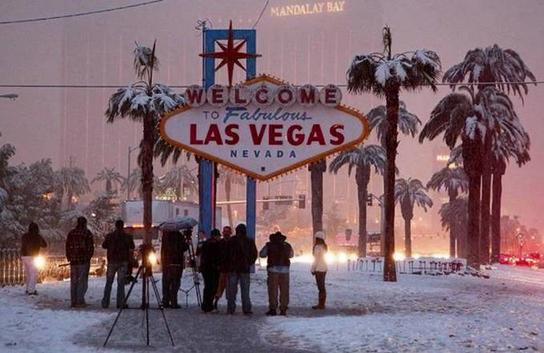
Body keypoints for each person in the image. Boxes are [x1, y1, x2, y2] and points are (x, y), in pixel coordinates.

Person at [101, 220, 135, 309]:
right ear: (122, 226)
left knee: (109, 282)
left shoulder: (110, 236)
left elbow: (104, 245)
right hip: (123, 261)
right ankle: (120, 303)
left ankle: (105, 302)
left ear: (115, 226)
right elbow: (132, 247)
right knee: (120, 283)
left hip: (112, 261)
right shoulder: (127, 237)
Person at [259, 231, 294, 316]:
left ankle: (273, 309)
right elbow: (291, 255)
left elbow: (262, 254)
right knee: (284, 290)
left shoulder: (269, 245)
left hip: (273, 270)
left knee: (273, 290)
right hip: (285, 270)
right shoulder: (287, 245)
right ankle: (283, 309)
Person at [225, 224, 258, 315]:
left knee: (231, 291)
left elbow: (226, 255)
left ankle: (230, 309)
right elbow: (254, 254)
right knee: (245, 291)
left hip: (233, 269)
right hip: (244, 268)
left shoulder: (231, 241)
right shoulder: (249, 241)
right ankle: (246, 309)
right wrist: (249, 263)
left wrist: (229, 265)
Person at [66, 216, 94, 308]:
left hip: (73, 260)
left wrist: (69, 257)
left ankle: (73, 301)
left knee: (73, 281)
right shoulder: (87, 233)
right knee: (82, 281)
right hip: (83, 260)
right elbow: (90, 247)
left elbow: (67, 246)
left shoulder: (71, 233)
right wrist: (88, 256)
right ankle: (80, 300)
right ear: (85, 224)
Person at [161, 230, 189, 308]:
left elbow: (163, 249)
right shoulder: (179, 236)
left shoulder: (165, 236)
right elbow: (184, 247)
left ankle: (165, 300)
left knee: (166, 283)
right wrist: (187, 240)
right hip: (177, 262)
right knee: (175, 283)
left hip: (167, 262)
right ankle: (173, 301)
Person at [198, 228, 221, 313]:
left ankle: (205, 305)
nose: (219, 237)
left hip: (205, 269)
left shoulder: (206, 243)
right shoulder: (215, 244)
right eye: (218, 236)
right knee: (212, 287)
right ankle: (209, 306)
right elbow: (216, 257)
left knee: (207, 287)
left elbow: (200, 254)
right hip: (213, 269)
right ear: (215, 236)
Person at [20, 222, 47, 295]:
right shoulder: (37, 236)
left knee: (28, 274)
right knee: (33, 274)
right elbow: (45, 245)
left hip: (24, 256)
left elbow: (23, 244)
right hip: (33, 256)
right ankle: (31, 290)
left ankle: (28, 289)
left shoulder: (25, 236)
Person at [214, 225, 232, 309]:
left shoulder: (220, 243)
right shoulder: (231, 242)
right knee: (221, 287)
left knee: (227, 287)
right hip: (224, 268)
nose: (226, 233)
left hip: (227, 268)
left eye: (227, 232)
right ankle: (217, 301)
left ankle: (220, 302)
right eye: (225, 232)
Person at [311, 231, 328, 310]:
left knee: (320, 287)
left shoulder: (317, 247)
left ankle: (321, 304)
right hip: (324, 268)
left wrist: (313, 269)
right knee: (322, 287)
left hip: (319, 268)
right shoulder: (324, 247)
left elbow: (317, 259)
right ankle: (322, 303)